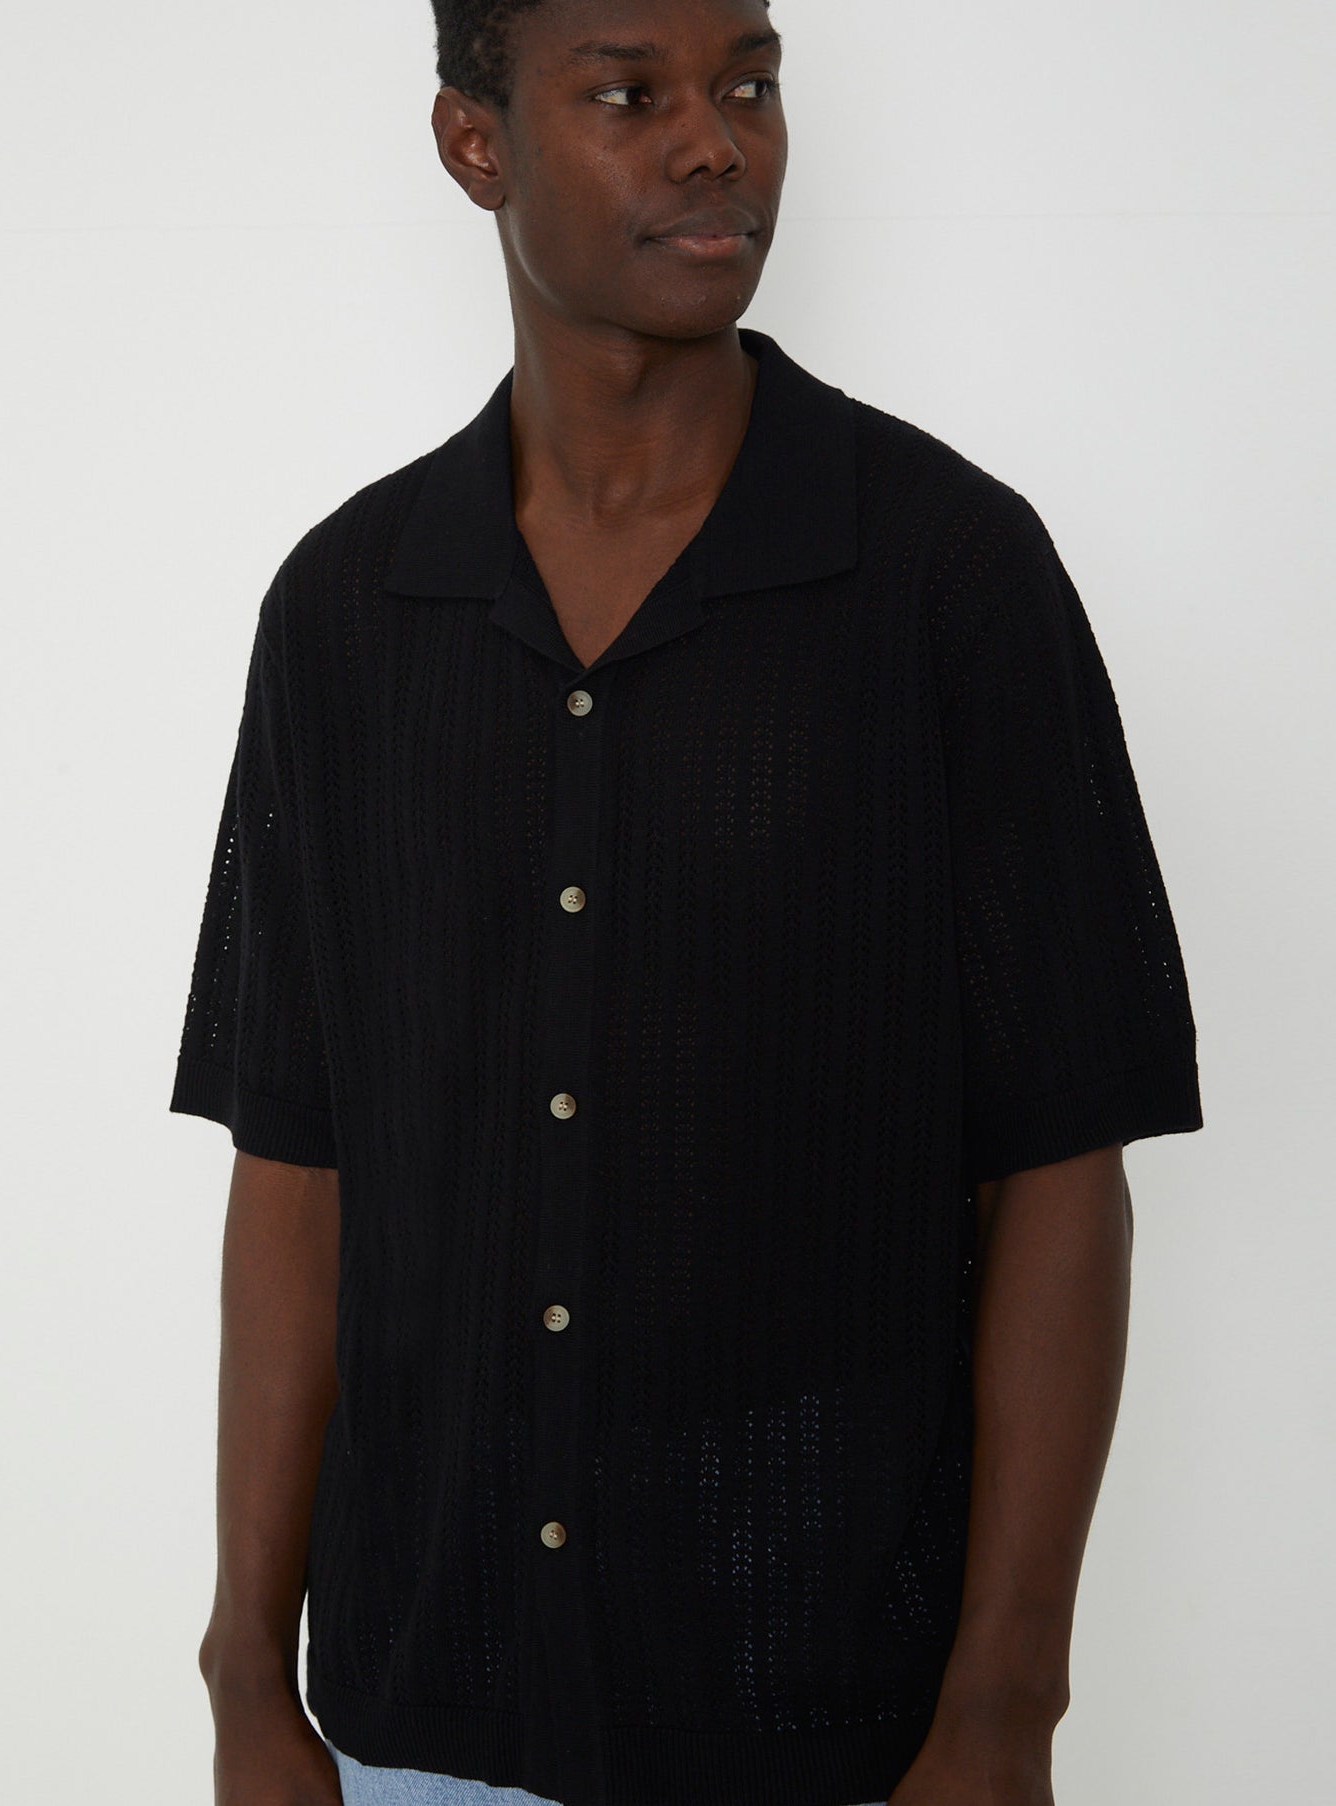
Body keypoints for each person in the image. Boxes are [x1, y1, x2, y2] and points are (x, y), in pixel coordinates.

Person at [168, 3, 1204, 1804]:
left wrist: (1002, 1707)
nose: (715, 140)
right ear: (475, 143)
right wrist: (247, 1676)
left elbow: (1059, 1162)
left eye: (747, 84)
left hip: (831, 1722)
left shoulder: (948, 577)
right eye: (628, 94)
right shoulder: (344, 610)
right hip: (421, 1724)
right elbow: (297, 1164)